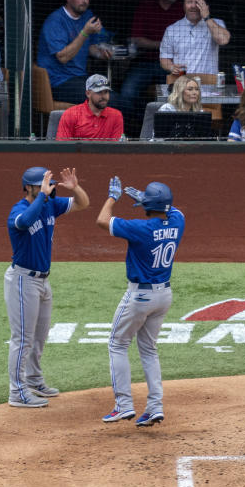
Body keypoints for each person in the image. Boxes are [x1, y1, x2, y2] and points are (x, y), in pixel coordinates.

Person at [97, 178, 185, 427]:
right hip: (164, 296)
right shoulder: (178, 221)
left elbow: (102, 220)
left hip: (140, 296)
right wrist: (149, 199)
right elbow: (174, 210)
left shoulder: (141, 229)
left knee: (117, 343)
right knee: (148, 349)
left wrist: (113, 198)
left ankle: (123, 404)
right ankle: (155, 406)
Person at [5, 166, 90, 408]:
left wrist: (75, 188)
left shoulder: (50, 204)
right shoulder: (18, 210)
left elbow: (82, 204)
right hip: (23, 280)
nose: (49, 188)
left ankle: (33, 380)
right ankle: (17, 392)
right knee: (22, 338)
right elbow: (24, 222)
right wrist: (42, 196)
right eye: (43, 184)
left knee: (39, 336)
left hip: (43, 281)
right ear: (29, 188)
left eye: (50, 184)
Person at [119, 0, 184, 127]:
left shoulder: (182, 10)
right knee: (127, 92)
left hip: (171, 66)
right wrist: (163, 46)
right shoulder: (146, 6)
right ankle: (136, 128)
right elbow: (136, 39)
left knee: (176, 95)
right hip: (145, 63)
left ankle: (167, 130)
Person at [36, 0, 114, 105]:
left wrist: (101, 54)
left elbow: (90, 47)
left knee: (114, 96)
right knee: (108, 100)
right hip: (58, 81)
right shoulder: (55, 21)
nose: (85, 1)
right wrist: (85, 32)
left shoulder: (87, 16)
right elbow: (63, 57)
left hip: (80, 77)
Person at [159, 0, 230, 77]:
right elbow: (164, 58)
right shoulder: (172, 29)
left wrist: (207, 18)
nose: (193, 6)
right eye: (189, 2)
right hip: (182, 86)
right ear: (184, 5)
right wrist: (171, 67)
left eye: (197, 2)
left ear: (206, 6)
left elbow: (223, 40)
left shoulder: (216, 23)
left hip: (209, 86)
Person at [56, 73, 124, 140]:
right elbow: (62, 147)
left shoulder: (116, 115)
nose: (103, 96)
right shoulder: (70, 114)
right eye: (99, 92)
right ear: (88, 94)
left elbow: (116, 149)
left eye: (106, 92)